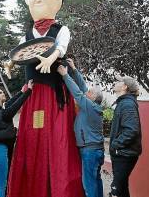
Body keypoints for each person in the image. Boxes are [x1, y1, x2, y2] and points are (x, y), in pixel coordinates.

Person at [7, 0, 84, 197]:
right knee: (31, 139)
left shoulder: (61, 29)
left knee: (58, 140)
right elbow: (20, 53)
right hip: (33, 93)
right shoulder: (27, 33)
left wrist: (52, 58)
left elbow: (61, 47)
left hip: (55, 94)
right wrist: (10, 64)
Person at [57, 59, 105, 197]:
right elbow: (83, 88)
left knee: (88, 184)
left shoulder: (90, 107)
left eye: (90, 92)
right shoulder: (92, 106)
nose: (87, 92)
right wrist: (74, 69)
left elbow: (78, 93)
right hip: (95, 149)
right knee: (96, 180)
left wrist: (65, 75)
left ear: (93, 98)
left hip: (90, 150)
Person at [0, 80, 33, 197]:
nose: (1, 96)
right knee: (1, 187)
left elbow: (9, 105)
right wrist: (28, 91)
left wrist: (22, 91)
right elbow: (16, 105)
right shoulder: (3, 114)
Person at [109, 76, 142, 197]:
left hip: (124, 154)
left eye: (119, 81)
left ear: (124, 87)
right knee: (122, 189)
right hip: (123, 153)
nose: (115, 83)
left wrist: (115, 145)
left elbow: (132, 130)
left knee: (116, 190)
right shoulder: (124, 102)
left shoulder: (127, 104)